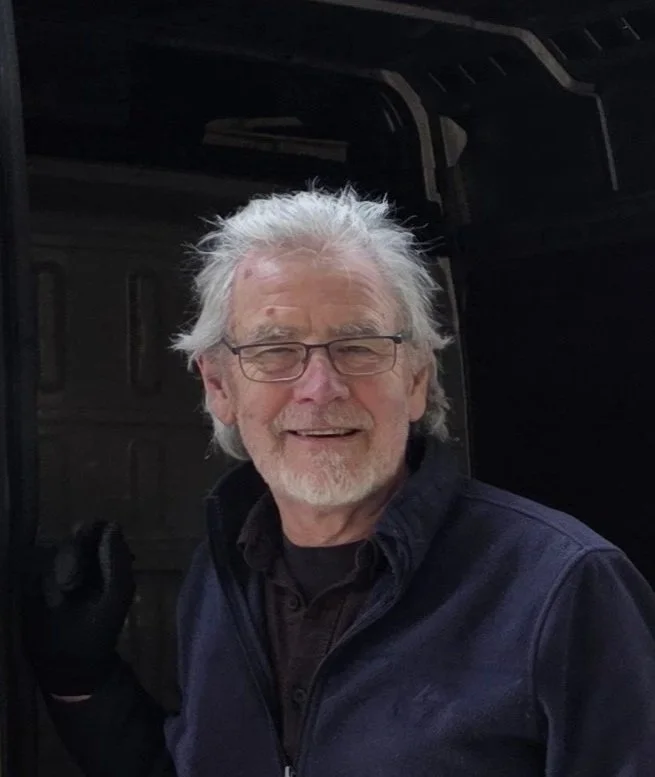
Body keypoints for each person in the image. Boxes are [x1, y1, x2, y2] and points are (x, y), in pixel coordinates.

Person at [23, 188, 655, 777]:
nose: (320, 388)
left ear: (416, 380)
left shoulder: (563, 586)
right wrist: (81, 682)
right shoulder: (222, 572)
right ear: (218, 386)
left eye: (359, 345)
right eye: (274, 349)